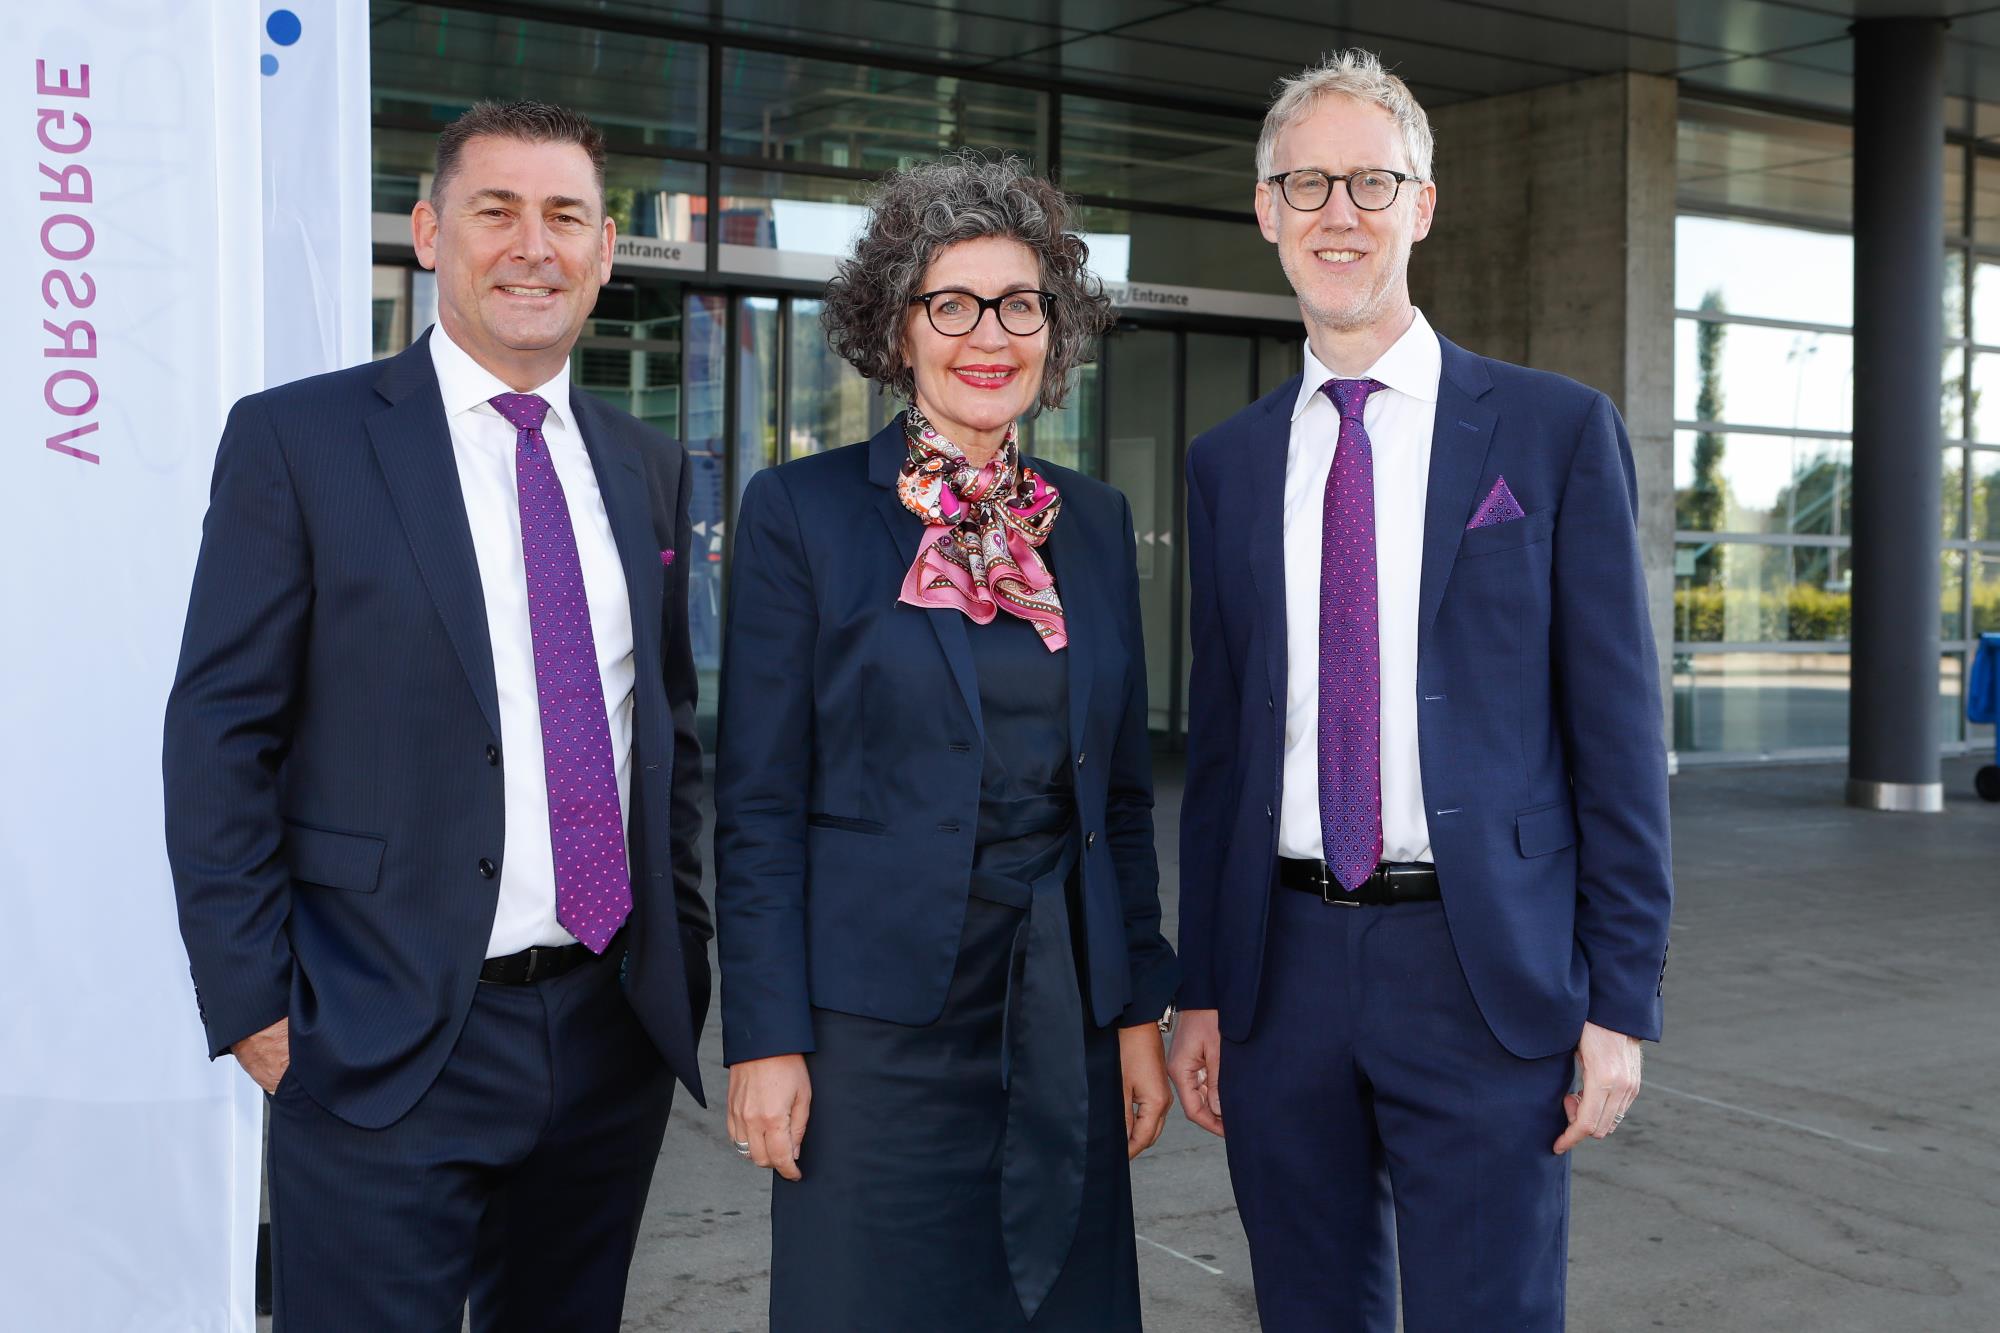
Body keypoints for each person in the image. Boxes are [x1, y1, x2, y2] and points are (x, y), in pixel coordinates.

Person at [163, 100, 711, 1331]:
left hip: (606, 1031)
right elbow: (219, 735)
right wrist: (255, 1006)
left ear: (605, 249)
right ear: (426, 233)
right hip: (377, 1035)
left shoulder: (645, 464)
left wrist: (681, 953)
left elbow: (663, 735)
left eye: (564, 216)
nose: (533, 246)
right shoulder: (297, 439)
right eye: (495, 210)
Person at [1169, 50, 1674, 1331]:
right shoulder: (1228, 464)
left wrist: (1619, 1002)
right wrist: (1202, 985)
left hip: (1481, 969)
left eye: (1371, 183)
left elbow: (1616, 738)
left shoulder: (1553, 432)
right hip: (1280, 972)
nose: (1338, 213)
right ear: (1266, 209)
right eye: (1307, 184)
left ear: (1423, 205)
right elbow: (1221, 751)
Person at [714, 152, 1180, 1333]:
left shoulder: (1093, 522)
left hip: (1062, 1004)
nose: (988, 335)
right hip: (872, 1031)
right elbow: (758, 806)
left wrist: (1137, 1008)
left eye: (1019, 305)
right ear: (897, 325)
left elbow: (1121, 799)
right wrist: (763, 1038)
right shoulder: (802, 512)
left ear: (1053, 332)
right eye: (953, 304)